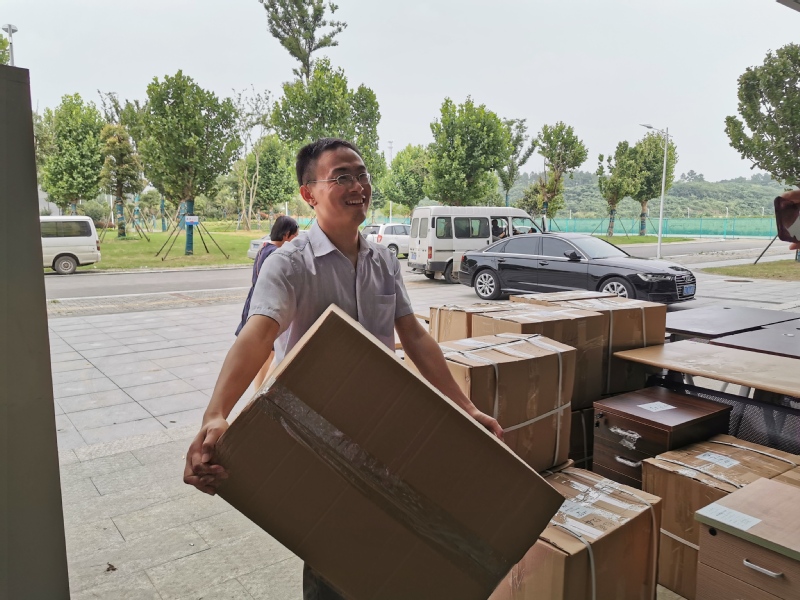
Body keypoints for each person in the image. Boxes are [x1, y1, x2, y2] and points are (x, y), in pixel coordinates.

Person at [184, 138, 503, 600]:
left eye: (362, 175)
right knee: (332, 560)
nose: (358, 186)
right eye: (341, 178)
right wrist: (216, 413)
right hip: (315, 443)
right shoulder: (290, 265)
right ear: (308, 194)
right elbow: (256, 336)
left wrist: (466, 408)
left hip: (382, 434)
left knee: (388, 547)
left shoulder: (384, 261)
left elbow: (414, 337)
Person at [235, 215, 299, 389]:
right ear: (286, 235)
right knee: (270, 354)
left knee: (266, 355)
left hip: (256, 303)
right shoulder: (277, 255)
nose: (296, 241)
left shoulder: (264, 249)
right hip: (267, 308)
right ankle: (261, 392)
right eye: (295, 236)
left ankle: (258, 391)